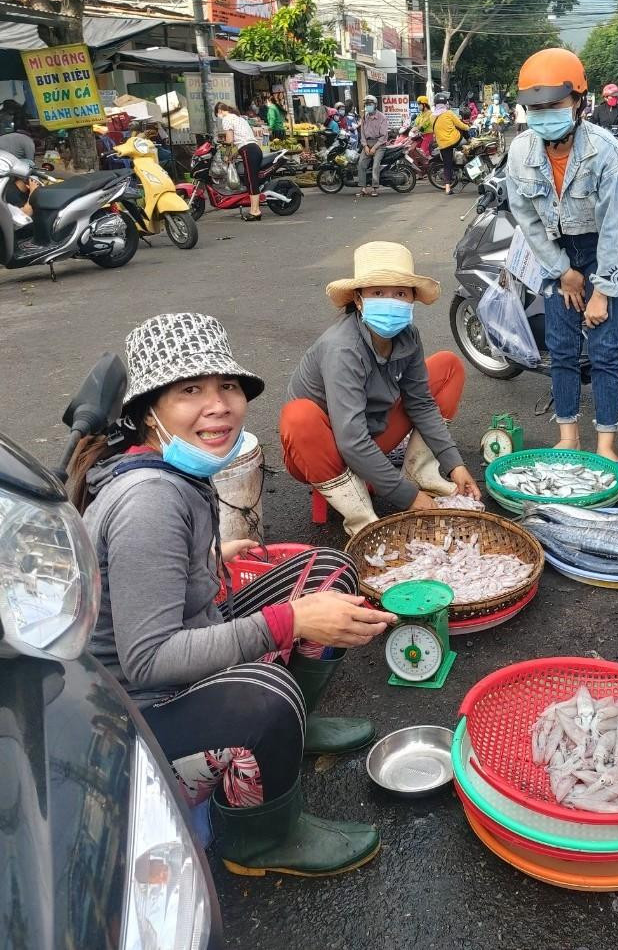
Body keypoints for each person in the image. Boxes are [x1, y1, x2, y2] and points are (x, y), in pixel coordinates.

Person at [76, 312, 392, 877]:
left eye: (226, 386)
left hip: (186, 655)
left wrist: (203, 560)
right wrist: (288, 621)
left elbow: (148, 579)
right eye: (190, 390)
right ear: (150, 411)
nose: (218, 404)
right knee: (266, 694)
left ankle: (290, 732)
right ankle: (260, 838)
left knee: (327, 570)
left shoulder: (167, 468)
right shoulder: (148, 500)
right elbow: (147, 661)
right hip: (139, 722)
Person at [505, 48, 618, 487]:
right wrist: (562, 270)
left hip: (604, 252)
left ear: (579, 102)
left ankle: (605, 445)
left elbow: (617, 228)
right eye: (536, 109)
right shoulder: (520, 152)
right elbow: (526, 218)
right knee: (561, 348)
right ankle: (568, 437)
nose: (545, 116)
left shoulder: (607, 151)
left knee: (604, 351)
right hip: (555, 256)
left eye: (554, 106)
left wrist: (601, 289)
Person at [280, 242, 481, 535]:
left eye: (400, 293)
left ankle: (420, 471)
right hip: (320, 453)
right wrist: (409, 498)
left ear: (412, 299)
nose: (390, 301)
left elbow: (421, 403)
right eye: (377, 293)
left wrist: (454, 464)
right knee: (299, 416)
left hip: (371, 434)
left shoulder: (408, 335)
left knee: (447, 366)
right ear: (359, 300)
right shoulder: (342, 348)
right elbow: (350, 441)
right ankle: (361, 519)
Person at [215, 102, 264, 222]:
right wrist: (233, 155)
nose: (219, 117)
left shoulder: (226, 118)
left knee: (251, 181)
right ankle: (254, 209)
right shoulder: (239, 118)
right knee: (249, 179)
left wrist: (227, 155)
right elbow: (239, 140)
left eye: (217, 114)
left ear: (220, 111)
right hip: (255, 149)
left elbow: (230, 140)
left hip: (248, 150)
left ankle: (255, 211)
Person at [432, 92, 471, 196]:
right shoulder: (449, 113)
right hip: (456, 140)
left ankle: (448, 188)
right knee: (466, 140)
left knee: (447, 165)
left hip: (443, 144)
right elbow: (460, 125)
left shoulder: (432, 116)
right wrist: (468, 128)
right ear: (446, 103)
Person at [356, 95, 391, 197]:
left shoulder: (382, 117)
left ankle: (374, 188)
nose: (368, 106)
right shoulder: (364, 117)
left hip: (379, 145)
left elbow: (384, 136)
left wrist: (374, 147)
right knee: (361, 163)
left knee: (376, 165)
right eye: (366, 104)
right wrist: (365, 146)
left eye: (370, 104)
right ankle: (363, 188)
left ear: (375, 105)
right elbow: (362, 134)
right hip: (367, 144)